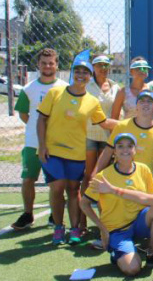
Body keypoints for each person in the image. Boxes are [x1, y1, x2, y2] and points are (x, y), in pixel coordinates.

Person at [37, 53, 115, 245]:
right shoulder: (55, 93)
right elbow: (41, 119)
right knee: (57, 187)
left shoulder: (91, 101)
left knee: (73, 190)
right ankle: (58, 227)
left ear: (90, 76)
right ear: (72, 73)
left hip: (77, 153)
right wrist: (42, 145)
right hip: (53, 151)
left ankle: (74, 229)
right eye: (78, 71)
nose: (81, 75)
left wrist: (129, 123)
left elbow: (104, 123)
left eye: (85, 72)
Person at [80, 133, 153, 274]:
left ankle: (152, 254)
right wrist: (102, 229)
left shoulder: (143, 169)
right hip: (117, 229)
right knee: (133, 269)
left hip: (139, 221)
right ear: (114, 151)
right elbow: (84, 203)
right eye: (120, 146)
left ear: (135, 150)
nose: (125, 149)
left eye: (129, 146)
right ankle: (117, 254)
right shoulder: (103, 176)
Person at [11, 47, 66, 230]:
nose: (47, 66)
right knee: (28, 179)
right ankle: (28, 214)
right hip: (33, 142)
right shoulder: (29, 88)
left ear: (57, 65)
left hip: (57, 143)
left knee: (56, 183)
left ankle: (54, 215)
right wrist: (38, 130)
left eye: (51, 63)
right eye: (44, 63)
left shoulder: (64, 88)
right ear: (38, 65)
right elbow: (23, 114)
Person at [80, 53, 118, 231]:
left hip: (107, 138)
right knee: (88, 176)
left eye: (105, 65)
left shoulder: (115, 87)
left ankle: (105, 221)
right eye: (99, 65)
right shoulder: (86, 86)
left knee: (104, 177)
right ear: (93, 67)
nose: (103, 68)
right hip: (89, 135)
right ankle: (81, 222)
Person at [96, 89, 153, 173]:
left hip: (146, 181)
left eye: (149, 101)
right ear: (136, 106)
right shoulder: (122, 126)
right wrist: (94, 175)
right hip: (121, 178)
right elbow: (107, 152)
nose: (145, 104)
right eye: (141, 101)